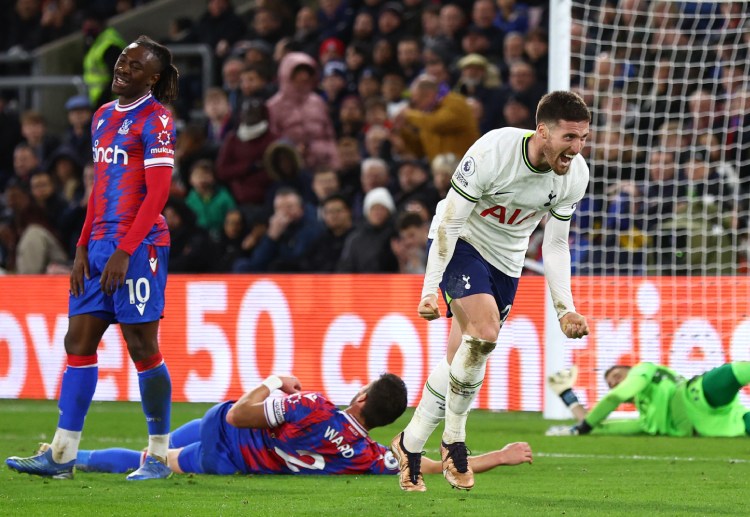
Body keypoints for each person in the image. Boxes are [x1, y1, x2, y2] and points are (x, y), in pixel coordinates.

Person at [391, 91, 592, 492]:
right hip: (462, 243)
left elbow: (555, 244)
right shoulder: (493, 152)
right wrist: (430, 290)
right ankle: (454, 443)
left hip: (507, 263)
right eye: (569, 137)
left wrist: (564, 309)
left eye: (583, 138)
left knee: (459, 359)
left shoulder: (575, 175)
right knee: (484, 333)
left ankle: (409, 445)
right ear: (543, 132)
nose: (576, 148)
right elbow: (450, 222)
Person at [6, 35, 180, 481]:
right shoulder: (102, 116)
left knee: (142, 347)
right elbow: (100, 188)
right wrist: (83, 246)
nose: (123, 67)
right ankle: (62, 455)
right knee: (77, 343)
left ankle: (158, 457)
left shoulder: (157, 120)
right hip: (99, 244)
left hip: (139, 247)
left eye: (135, 65)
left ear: (152, 78)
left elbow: (157, 194)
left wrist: (126, 250)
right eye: (122, 59)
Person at [70, 373, 533, 476]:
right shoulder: (371, 457)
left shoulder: (314, 406)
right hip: (240, 461)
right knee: (156, 454)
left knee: (154, 455)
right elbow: (436, 466)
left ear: (363, 397)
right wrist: (500, 456)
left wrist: (275, 381)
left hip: (226, 436)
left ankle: (70, 455)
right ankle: (75, 457)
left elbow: (237, 414)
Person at [546, 362, 750, 438]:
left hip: (699, 395)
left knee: (734, 371)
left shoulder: (644, 370)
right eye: (611, 384)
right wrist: (568, 396)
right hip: (717, 423)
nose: (615, 384)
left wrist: (583, 427)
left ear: (630, 370)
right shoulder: (646, 421)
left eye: (617, 376)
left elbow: (615, 397)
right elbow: (595, 426)